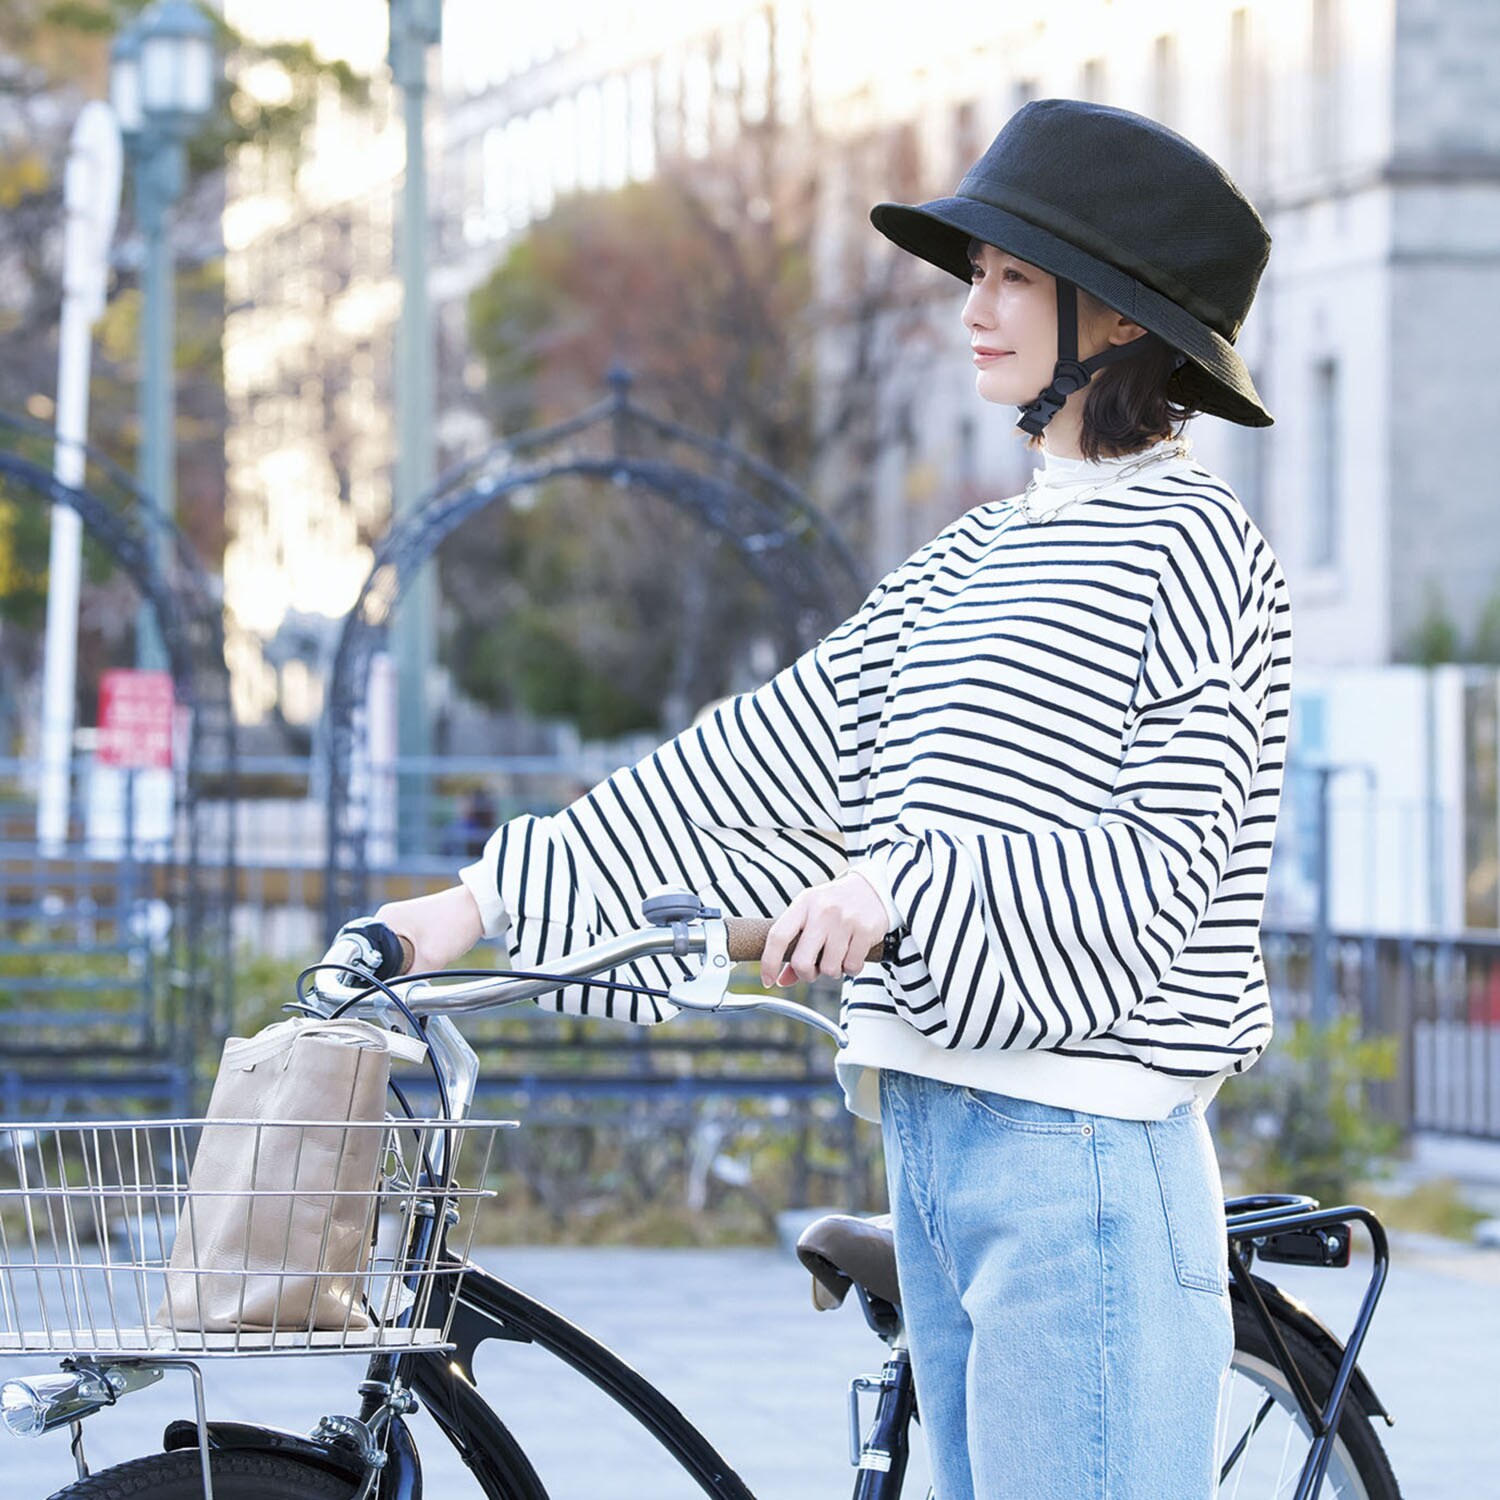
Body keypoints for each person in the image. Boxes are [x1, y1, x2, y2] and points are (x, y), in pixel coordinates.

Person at [360, 99, 1290, 1499]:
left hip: (1088, 1158)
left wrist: (897, 888)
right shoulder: (963, 564)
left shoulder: (1203, 549)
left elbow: (1164, 868)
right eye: (974, 272)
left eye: (1013, 275)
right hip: (933, 1135)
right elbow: (753, 759)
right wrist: (470, 903)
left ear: (1115, 318)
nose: (971, 305)